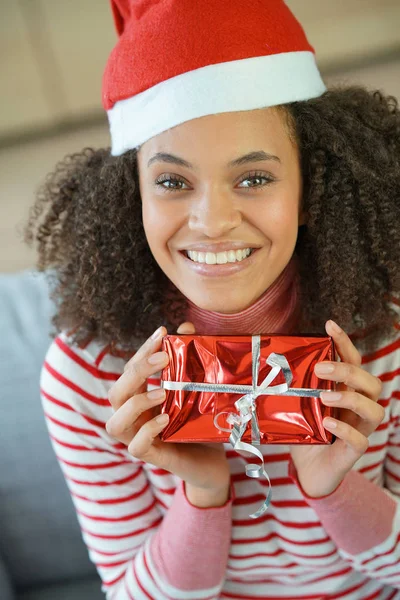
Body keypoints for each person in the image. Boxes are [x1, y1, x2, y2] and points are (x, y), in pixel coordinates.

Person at [24, 1, 400, 598]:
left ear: (310, 190)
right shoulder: (85, 378)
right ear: (133, 201)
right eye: (173, 182)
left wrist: (335, 485)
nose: (214, 222)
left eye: (254, 177)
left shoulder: (386, 339)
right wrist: (202, 490)